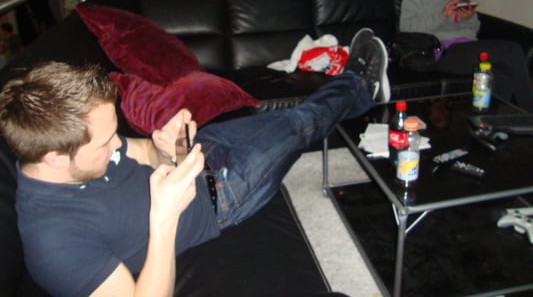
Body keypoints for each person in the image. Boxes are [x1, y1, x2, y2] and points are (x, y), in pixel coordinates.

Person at [0, 29, 389, 297]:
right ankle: (360, 83)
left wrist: (168, 147)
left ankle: (357, 91)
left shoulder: (71, 149)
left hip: (202, 153)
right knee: (303, 123)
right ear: (54, 157)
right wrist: (164, 218)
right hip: (222, 195)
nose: (117, 144)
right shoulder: (53, 242)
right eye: (105, 143)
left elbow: (144, 153)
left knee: (296, 121)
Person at [400, 0, 533, 112]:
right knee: (512, 50)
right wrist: (443, 15)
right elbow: (407, 29)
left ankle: (492, 121)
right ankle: (530, 114)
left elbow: (474, 29)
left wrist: (469, 17)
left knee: (502, 73)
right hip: (441, 51)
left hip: (466, 46)